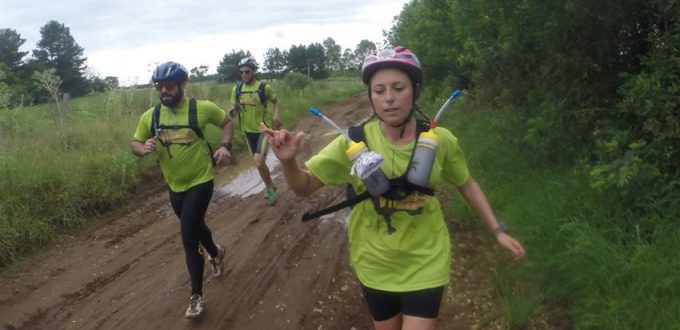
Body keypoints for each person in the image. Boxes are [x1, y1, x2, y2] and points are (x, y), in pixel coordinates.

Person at [262, 46, 525, 330]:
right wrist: (289, 163)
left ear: (415, 90)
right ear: (371, 96)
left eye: (398, 88)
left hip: (426, 260)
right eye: (379, 90)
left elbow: (467, 184)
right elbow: (304, 186)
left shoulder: (441, 140)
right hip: (374, 263)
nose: (389, 98)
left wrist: (497, 231)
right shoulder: (352, 143)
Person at [130, 61, 233, 319]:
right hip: (174, 185)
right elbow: (135, 142)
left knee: (188, 235)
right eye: (160, 87)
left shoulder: (202, 109)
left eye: (169, 86)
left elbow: (227, 121)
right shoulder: (151, 116)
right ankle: (216, 252)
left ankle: (196, 297)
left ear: (182, 85)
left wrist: (226, 146)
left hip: (201, 180)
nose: (164, 91)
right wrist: (142, 149)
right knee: (196, 227)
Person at [229, 57, 282, 205]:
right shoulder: (237, 89)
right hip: (247, 132)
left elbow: (276, 101)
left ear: (254, 71)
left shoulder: (264, 88)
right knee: (258, 162)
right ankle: (270, 185)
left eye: (247, 71)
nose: (244, 75)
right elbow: (234, 108)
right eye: (241, 72)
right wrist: (231, 112)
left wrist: (276, 115)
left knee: (259, 162)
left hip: (262, 130)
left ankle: (270, 190)